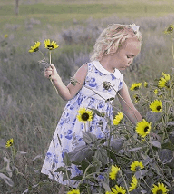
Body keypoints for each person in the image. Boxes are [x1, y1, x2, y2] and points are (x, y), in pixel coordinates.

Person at [41, 24, 143, 188]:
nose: (131, 62)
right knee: (70, 175)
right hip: (76, 131)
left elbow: (129, 108)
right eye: (129, 56)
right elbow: (68, 93)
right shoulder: (87, 69)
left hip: (99, 136)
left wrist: (146, 129)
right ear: (113, 47)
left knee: (92, 174)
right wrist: (55, 78)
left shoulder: (118, 80)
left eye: (133, 58)